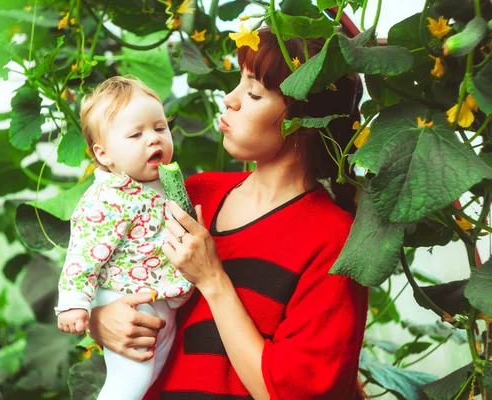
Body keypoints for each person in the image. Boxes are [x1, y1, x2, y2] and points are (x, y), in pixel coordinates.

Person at [87, 28, 369, 400]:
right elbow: (121, 270)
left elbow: (290, 393)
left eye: (252, 93)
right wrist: (100, 319)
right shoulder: (197, 194)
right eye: (239, 84)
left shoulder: (336, 241)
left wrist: (212, 279)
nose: (230, 100)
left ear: (304, 121)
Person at [55, 76, 193, 400]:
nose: (153, 140)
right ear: (104, 155)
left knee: (146, 380)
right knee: (130, 381)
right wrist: (74, 306)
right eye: (136, 134)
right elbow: (83, 254)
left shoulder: (164, 181)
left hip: (158, 303)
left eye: (160, 128)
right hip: (123, 298)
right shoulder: (108, 198)